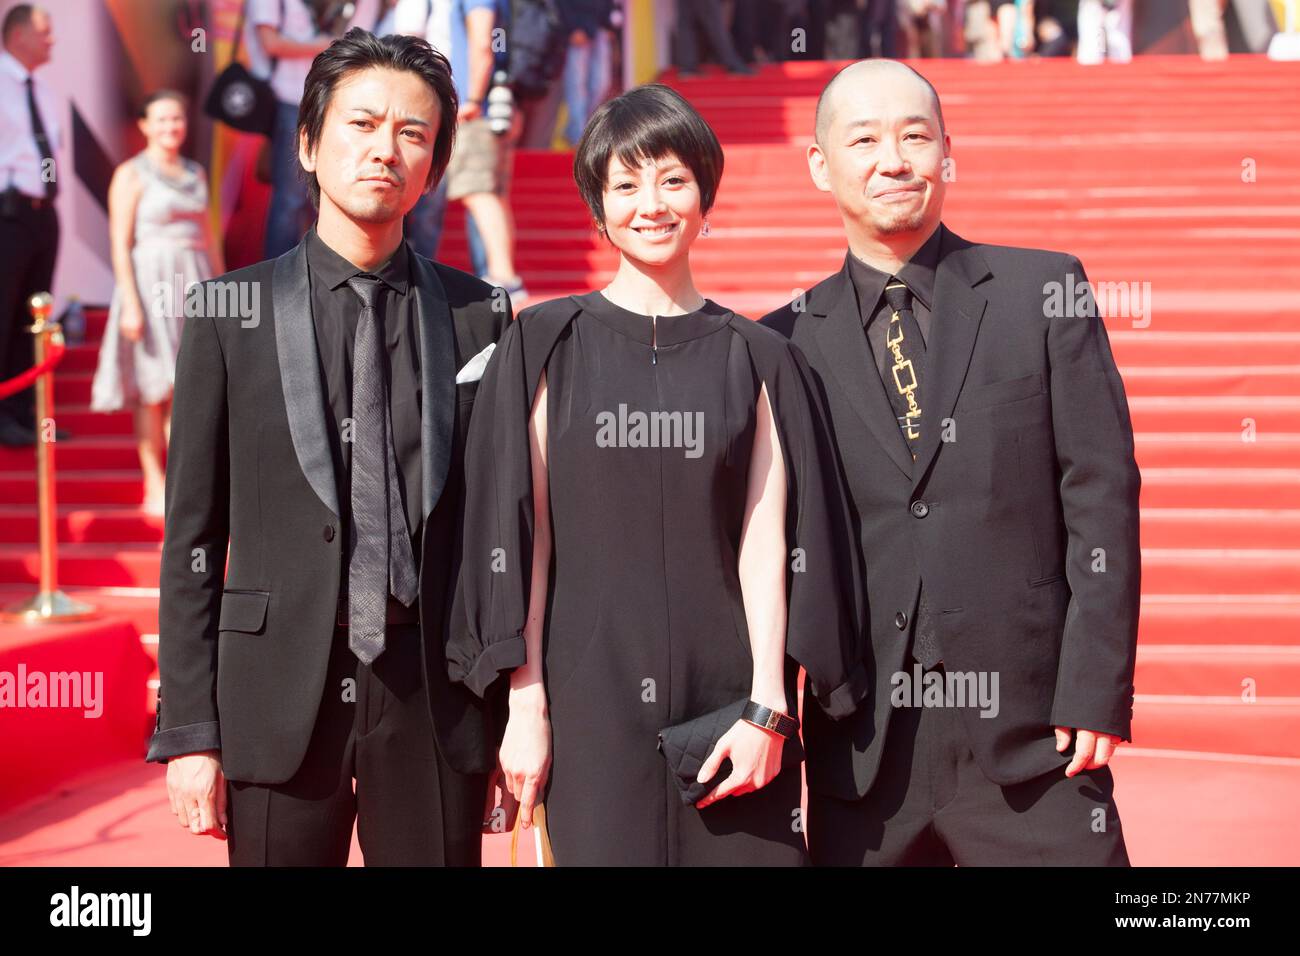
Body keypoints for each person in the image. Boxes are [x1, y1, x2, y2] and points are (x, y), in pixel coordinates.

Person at [447, 84, 866, 866]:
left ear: (705, 195)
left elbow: (765, 540)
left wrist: (770, 705)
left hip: (730, 705)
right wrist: (526, 703)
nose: (653, 203)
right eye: (626, 184)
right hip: (587, 700)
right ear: (598, 209)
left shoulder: (761, 356)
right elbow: (524, 540)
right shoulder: (546, 342)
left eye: (674, 179)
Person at [145, 28, 511, 866]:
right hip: (274, 698)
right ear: (308, 144)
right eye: (362, 124)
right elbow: (192, 537)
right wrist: (190, 732)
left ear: (434, 164)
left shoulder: (478, 314)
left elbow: (498, 529)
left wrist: (504, 709)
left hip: (433, 698)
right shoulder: (226, 313)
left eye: (413, 134)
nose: (386, 149)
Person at [761, 59, 1140, 866]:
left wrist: (1095, 688)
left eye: (915, 136)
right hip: (861, 750)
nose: (893, 159)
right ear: (821, 165)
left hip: (1038, 736)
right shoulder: (781, 342)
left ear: (946, 153)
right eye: (864, 139)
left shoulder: (1042, 292)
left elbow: (1101, 494)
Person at [91, 91, 223, 515]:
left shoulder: (196, 172)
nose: (171, 127)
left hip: (196, 280)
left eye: (178, 119)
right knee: (154, 387)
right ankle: (154, 481)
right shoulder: (130, 174)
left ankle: (188, 487)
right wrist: (130, 301)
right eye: (162, 120)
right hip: (150, 284)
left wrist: (221, 293)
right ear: (144, 125)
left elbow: (210, 236)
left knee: (190, 386)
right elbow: (119, 242)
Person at [253, 0, 380, 259]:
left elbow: (362, 45)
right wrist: (328, 45)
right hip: (290, 99)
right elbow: (270, 42)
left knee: (333, 196)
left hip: (342, 103)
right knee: (290, 199)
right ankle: (280, 280)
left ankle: (330, 278)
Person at [0, 3, 58, 447]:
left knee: (30, 315)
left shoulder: (40, 88)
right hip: (8, 212)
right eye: (45, 31)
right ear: (18, 35)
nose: (51, 39)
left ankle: (23, 414)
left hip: (43, 214)